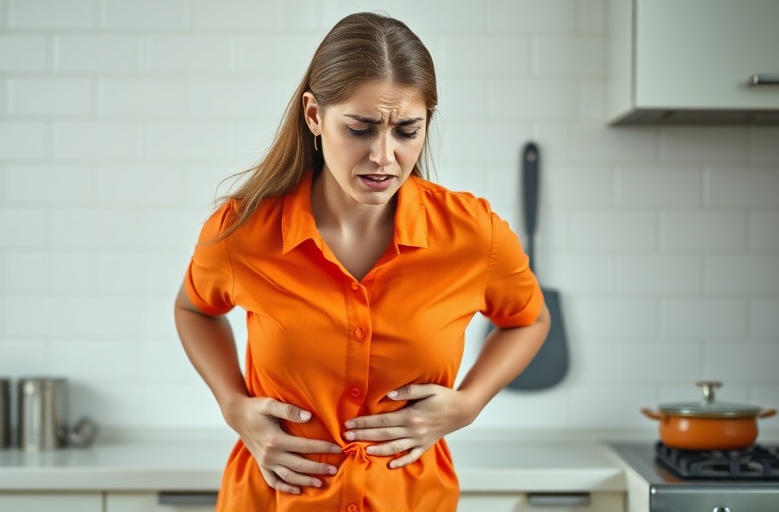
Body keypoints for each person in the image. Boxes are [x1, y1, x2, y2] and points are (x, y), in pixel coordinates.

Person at [174, 11, 551, 512]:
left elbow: (529, 320)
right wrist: (233, 405)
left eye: (406, 132)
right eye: (360, 129)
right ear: (314, 115)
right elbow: (194, 309)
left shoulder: (473, 233)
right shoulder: (241, 230)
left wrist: (468, 403)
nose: (383, 157)